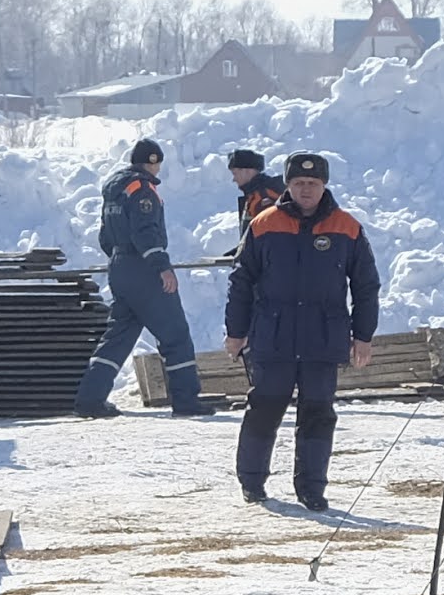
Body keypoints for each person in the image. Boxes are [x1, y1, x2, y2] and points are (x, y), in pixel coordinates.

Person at [229, 151, 379, 511]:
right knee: (264, 410)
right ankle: (252, 482)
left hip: (322, 340)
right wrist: (236, 331)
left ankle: (312, 488)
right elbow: (241, 281)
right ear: (288, 185)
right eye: (299, 183)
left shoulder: (347, 227)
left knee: (317, 416)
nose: (306, 189)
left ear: (324, 184)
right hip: (273, 337)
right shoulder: (263, 224)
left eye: (312, 183)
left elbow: (366, 285)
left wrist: (363, 335)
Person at [80, 138, 205, 418]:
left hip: (119, 266)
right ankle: (186, 401)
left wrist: (120, 260)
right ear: (153, 162)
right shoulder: (142, 189)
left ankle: (90, 399)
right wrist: (161, 266)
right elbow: (145, 231)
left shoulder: (115, 190)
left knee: (118, 337)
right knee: (175, 334)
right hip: (143, 268)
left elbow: (105, 236)